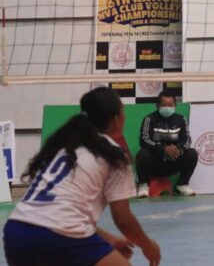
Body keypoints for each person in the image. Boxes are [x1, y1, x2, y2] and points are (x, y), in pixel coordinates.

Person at [3, 87, 161, 266]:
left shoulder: (64, 147)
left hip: (17, 232)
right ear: (116, 120)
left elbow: (57, 213)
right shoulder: (113, 155)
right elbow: (123, 219)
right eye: (123, 112)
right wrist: (148, 245)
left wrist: (109, 239)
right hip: (58, 237)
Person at [135, 90, 199, 197]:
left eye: (170, 105)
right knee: (142, 154)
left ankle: (182, 185)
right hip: (155, 164)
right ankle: (143, 185)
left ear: (175, 106)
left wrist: (179, 150)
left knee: (192, 153)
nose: (167, 108)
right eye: (164, 105)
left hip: (173, 161)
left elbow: (187, 140)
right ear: (157, 105)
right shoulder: (149, 119)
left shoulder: (181, 119)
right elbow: (144, 140)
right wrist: (163, 149)